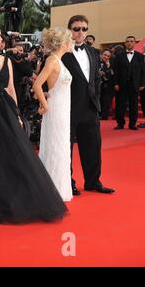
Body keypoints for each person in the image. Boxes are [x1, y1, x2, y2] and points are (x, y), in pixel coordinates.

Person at [0, 23, 67, 222]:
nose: (1, 39)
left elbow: (10, 89)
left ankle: (15, 196)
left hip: (6, 111)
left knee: (14, 153)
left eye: (1, 35)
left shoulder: (6, 60)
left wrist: (17, 114)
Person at [61, 15, 115, 194]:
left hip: (90, 107)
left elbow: (96, 79)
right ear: (70, 30)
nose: (81, 33)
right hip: (68, 107)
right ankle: (68, 182)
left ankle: (93, 182)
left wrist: (97, 101)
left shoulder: (93, 52)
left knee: (92, 145)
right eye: (77, 29)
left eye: (84, 29)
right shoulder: (62, 52)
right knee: (66, 148)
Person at [33, 27, 74, 202]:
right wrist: (45, 105)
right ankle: (50, 191)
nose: (72, 43)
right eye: (70, 40)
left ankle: (56, 189)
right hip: (56, 110)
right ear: (64, 43)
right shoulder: (52, 60)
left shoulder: (59, 60)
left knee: (61, 148)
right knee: (54, 147)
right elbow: (37, 85)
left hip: (64, 110)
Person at [113, 36, 144, 130]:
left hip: (134, 84)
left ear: (135, 43)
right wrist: (116, 83)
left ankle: (132, 124)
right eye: (127, 41)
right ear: (125, 43)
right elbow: (116, 71)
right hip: (121, 84)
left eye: (131, 41)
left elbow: (143, 71)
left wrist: (142, 84)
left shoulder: (140, 56)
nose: (129, 43)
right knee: (120, 104)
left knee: (133, 105)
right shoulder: (118, 56)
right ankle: (120, 123)